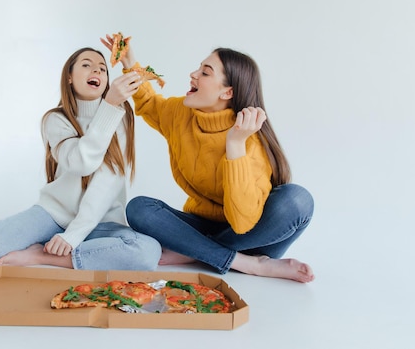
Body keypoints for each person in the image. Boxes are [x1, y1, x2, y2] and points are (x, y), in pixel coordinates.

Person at [101, 35, 315, 283]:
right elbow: (149, 103)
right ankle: (245, 263)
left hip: (251, 235)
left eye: (205, 72)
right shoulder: (181, 113)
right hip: (203, 228)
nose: (193, 74)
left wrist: (235, 144)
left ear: (228, 91)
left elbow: (242, 223)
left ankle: (197, 252)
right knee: (139, 208)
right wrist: (129, 61)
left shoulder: (251, 141)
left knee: (298, 200)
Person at [0, 47, 162, 271]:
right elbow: (81, 163)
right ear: (69, 77)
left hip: (100, 222)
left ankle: (42, 254)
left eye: (102, 68)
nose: (96, 69)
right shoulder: (56, 119)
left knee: (147, 252)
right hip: (53, 215)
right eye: (86, 65)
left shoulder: (119, 116)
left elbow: (108, 183)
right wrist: (109, 106)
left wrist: (74, 235)